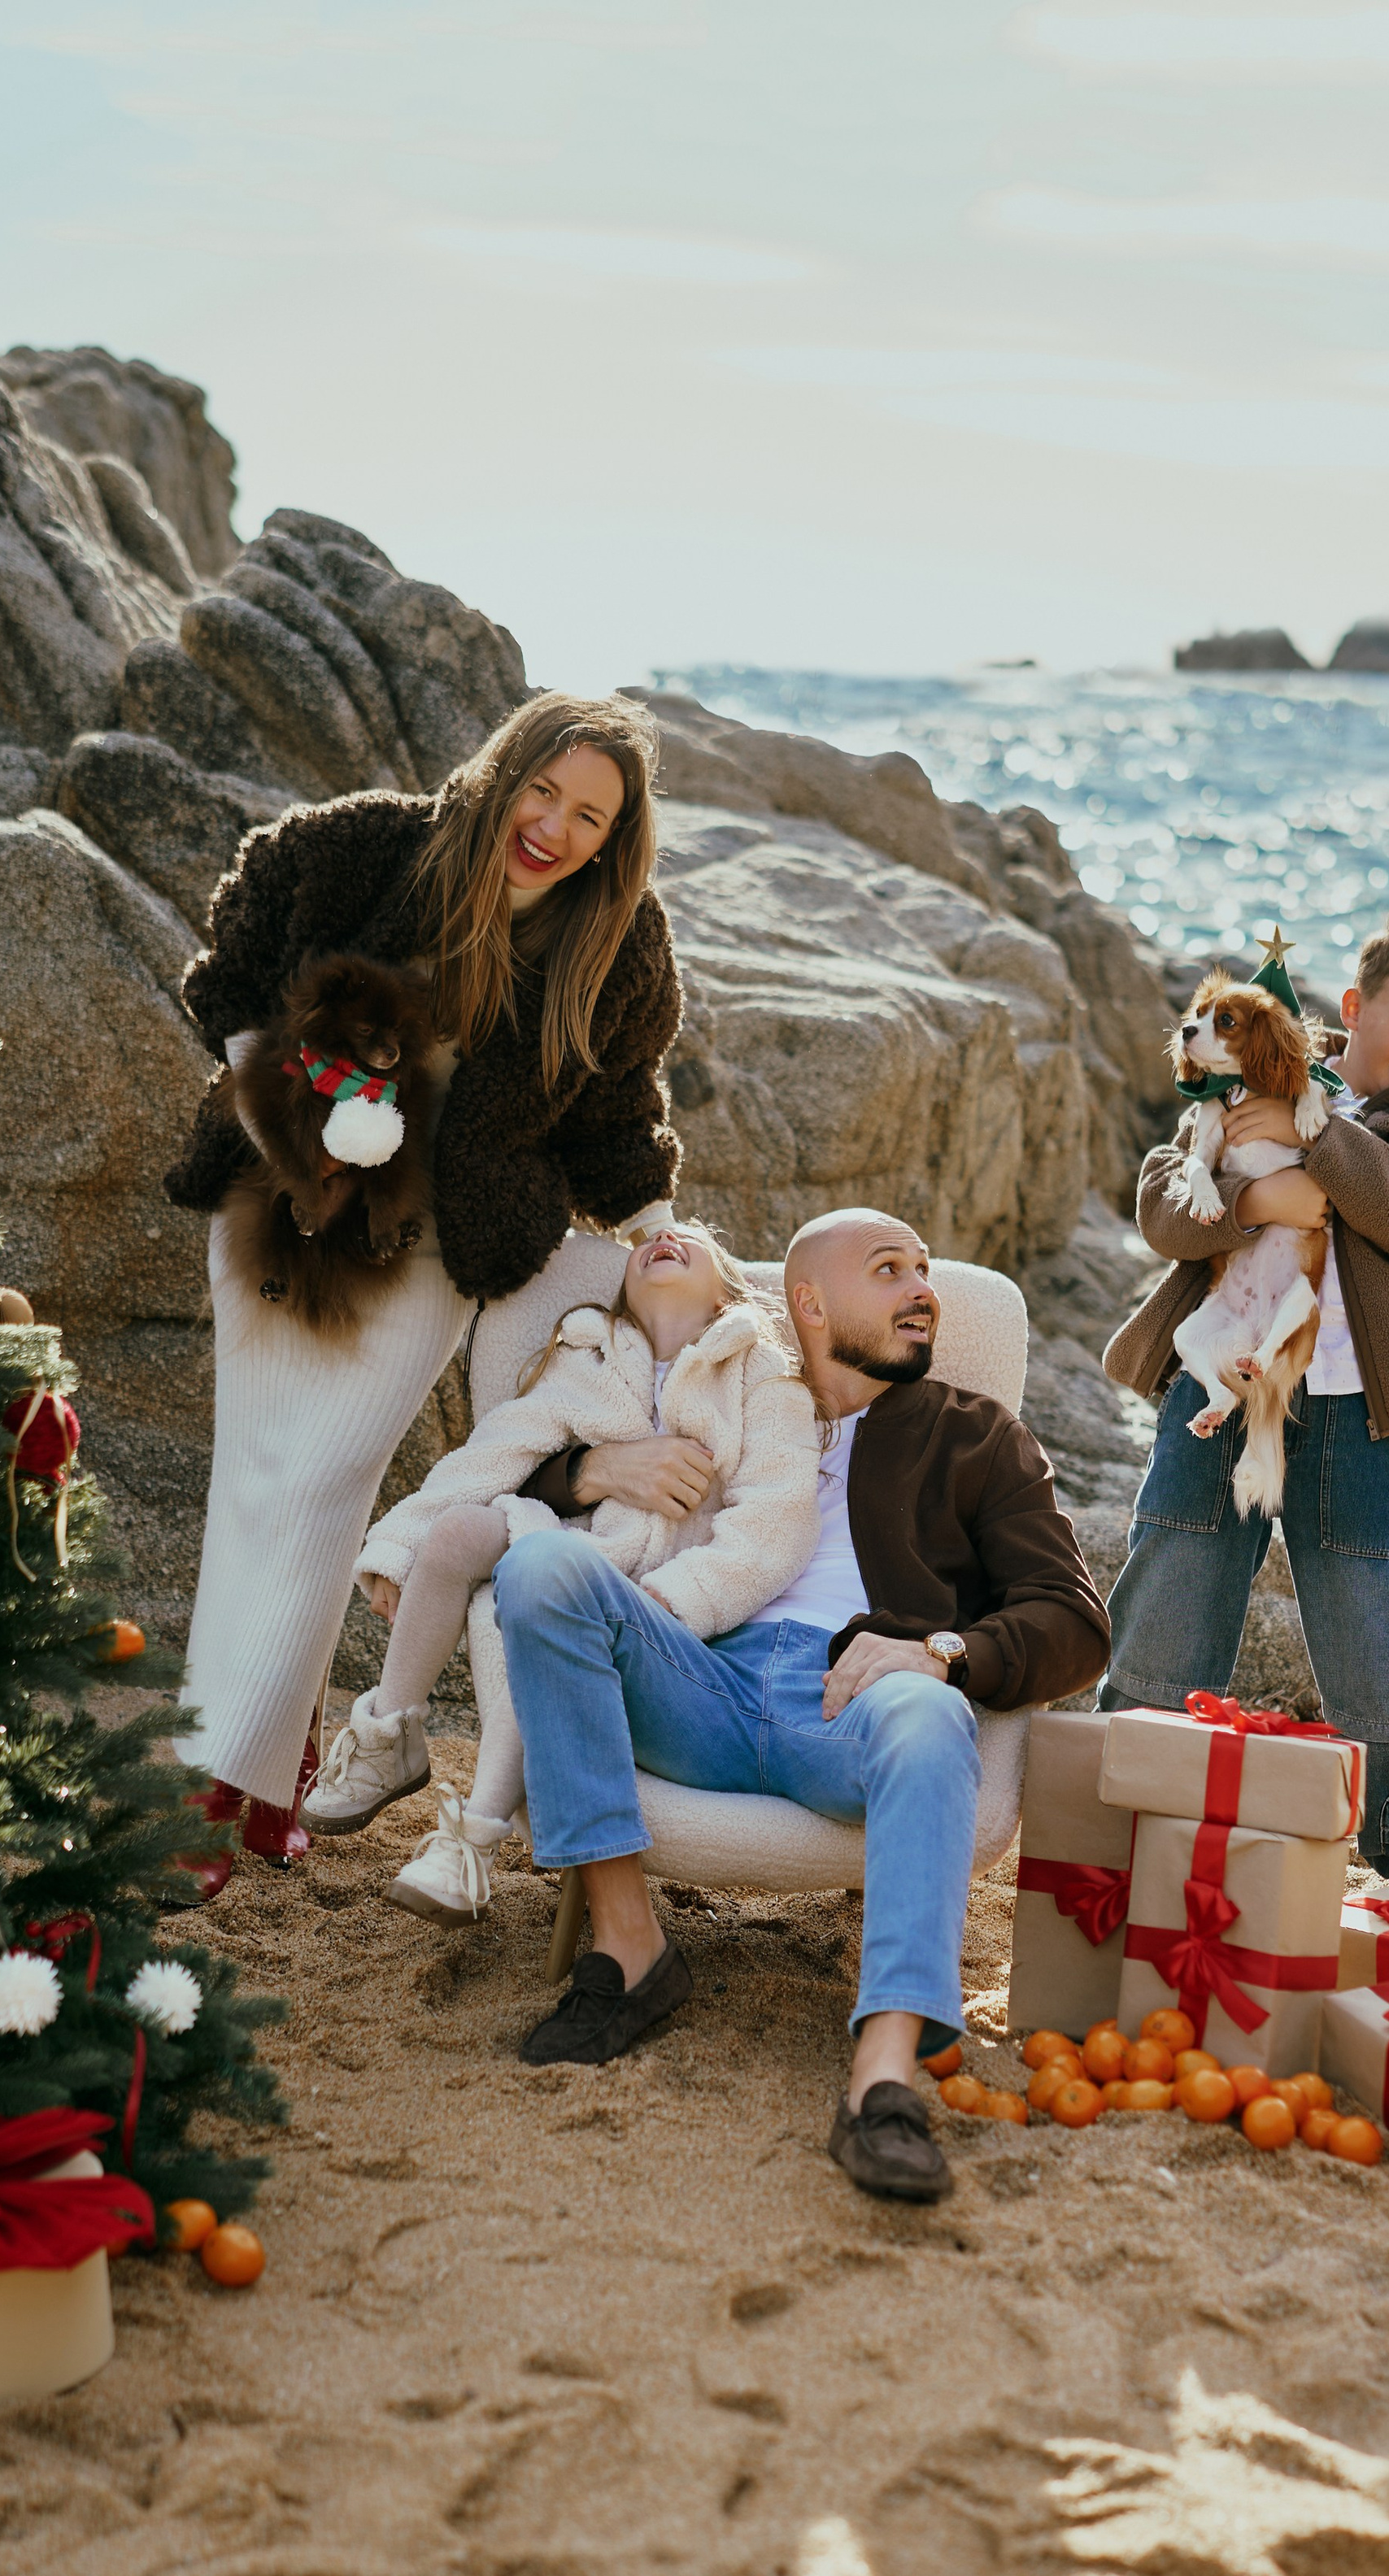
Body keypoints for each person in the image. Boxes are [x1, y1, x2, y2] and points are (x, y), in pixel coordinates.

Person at [160, 691, 684, 1886]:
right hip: (282, 1202)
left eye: (589, 816)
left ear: (615, 839)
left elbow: (616, 1121)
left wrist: (663, 1235)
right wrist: (279, 1097)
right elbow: (233, 963)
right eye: (543, 791)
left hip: (434, 1246)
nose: (552, 827)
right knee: (257, 1481)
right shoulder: (371, 846)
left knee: (326, 1479)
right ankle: (252, 1772)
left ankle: (215, 1790)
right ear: (505, 773)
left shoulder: (617, 950)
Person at [490, 1208, 1112, 2202]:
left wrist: (940, 1651)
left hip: (849, 1710)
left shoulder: (974, 1434)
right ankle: (630, 1946)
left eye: (924, 1271)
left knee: (927, 1712)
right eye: (889, 1269)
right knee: (542, 1571)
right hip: (697, 1681)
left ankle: (884, 2080)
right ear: (810, 1303)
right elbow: (514, 1461)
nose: (923, 1290)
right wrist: (589, 1471)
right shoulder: (714, 1396)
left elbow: (1075, 1622)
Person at [1099, 912, 1389, 1895]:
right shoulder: (1247, 1071)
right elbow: (1167, 1201)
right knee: (1172, 1586)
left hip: (1351, 1416)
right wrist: (1252, 1203)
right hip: (1223, 1388)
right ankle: (1120, 1827)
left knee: (1369, 1625)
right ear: (1354, 1010)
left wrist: (1308, 1138)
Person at [304, 1222, 820, 1925]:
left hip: (667, 1604)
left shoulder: (762, 1375)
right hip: (574, 1546)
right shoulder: (588, 1356)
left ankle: (473, 1840)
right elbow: (494, 1455)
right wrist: (401, 1543)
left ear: (730, 1291)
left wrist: (672, 1601)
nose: (665, 1236)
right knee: (461, 1533)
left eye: (690, 1239)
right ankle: (389, 1732)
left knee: (533, 1609)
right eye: (652, 1241)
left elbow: (774, 1525)